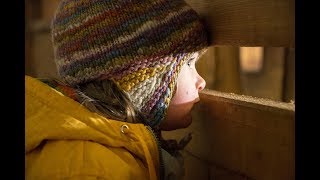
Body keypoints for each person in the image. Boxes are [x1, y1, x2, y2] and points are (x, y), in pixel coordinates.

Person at [25, 0, 208, 179]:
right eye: (188, 63)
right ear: (140, 81)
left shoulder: (114, 147)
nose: (201, 82)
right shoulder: (93, 169)